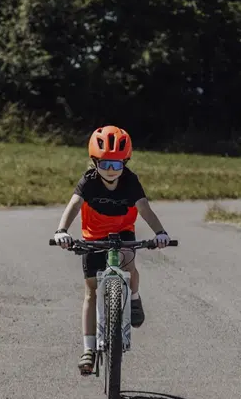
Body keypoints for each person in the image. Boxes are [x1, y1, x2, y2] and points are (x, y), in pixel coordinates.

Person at [52, 126, 172, 375]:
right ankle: (88, 348)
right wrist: (62, 230)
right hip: (93, 237)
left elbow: (144, 209)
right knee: (91, 291)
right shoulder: (88, 181)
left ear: (124, 163)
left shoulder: (131, 181)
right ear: (94, 162)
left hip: (122, 233)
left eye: (116, 165)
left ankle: (134, 298)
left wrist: (160, 232)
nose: (110, 170)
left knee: (128, 262)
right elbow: (74, 204)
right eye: (104, 163)